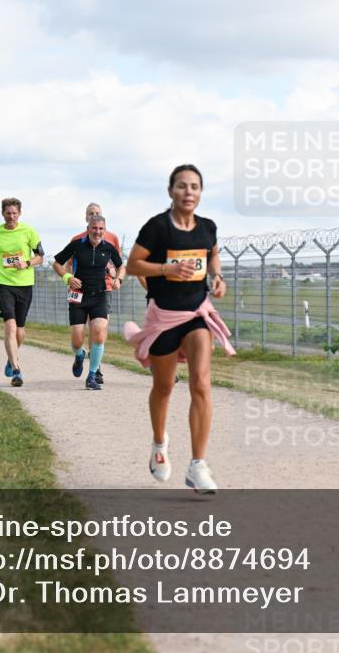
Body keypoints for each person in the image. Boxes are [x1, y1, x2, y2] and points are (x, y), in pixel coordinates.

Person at [124, 164, 234, 494]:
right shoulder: (157, 228)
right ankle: (159, 444)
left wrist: (217, 278)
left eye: (195, 187)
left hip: (197, 312)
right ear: (170, 191)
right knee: (164, 387)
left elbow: (212, 256)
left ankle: (198, 465)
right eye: (182, 186)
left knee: (201, 383)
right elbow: (132, 265)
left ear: (201, 193)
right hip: (163, 317)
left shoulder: (208, 228)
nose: (189, 192)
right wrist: (166, 267)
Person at [52, 214, 123, 390]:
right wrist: (68, 277)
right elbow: (56, 263)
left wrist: (118, 280)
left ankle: (92, 376)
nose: (97, 232)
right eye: (94, 228)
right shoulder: (77, 245)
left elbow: (121, 266)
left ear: (104, 230)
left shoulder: (108, 248)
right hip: (78, 296)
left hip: (99, 296)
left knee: (99, 334)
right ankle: (80, 354)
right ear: (88, 228)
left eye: (101, 229)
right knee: (77, 341)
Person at [0, 197, 44, 387]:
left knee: (20, 332)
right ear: (3, 214)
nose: (11, 217)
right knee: (10, 326)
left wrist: (26, 263)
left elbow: (40, 257)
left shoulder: (29, 231)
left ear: (20, 214)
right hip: (3, 283)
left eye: (15, 213)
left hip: (25, 284)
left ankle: (11, 357)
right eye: (8, 213)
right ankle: (16, 370)